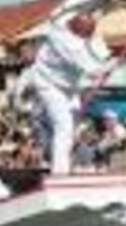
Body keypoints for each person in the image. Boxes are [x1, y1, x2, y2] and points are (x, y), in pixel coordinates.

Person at [17, 9, 115, 175]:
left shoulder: (66, 26)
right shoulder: (67, 45)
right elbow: (94, 70)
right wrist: (109, 66)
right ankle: (59, 172)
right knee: (64, 125)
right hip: (48, 83)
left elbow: (97, 56)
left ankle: (68, 163)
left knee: (71, 128)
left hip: (68, 87)